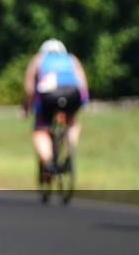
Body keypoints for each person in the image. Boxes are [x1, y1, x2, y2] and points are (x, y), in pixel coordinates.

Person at [22, 39, 89, 182]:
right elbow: (82, 83)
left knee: (40, 130)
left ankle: (47, 162)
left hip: (49, 96)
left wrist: (27, 106)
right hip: (72, 94)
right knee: (72, 121)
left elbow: (29, 85)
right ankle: (70, 150)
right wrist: (83, 102)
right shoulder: (71, 59)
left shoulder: (39, 58)